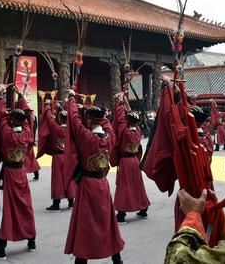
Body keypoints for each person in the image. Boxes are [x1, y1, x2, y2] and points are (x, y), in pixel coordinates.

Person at [64, 91, 124, 263]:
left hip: (87, 185)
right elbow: (107, 123)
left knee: (85, 224)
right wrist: (93, 110)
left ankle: (81, 260)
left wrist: (72, 99)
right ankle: (117, 259)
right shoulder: (110, 137)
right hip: (103, 185)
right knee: (108, 222)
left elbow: (74, 120)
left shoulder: (86, 136)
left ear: (89, 120)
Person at [0, 85, 37, 260]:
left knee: (3, 209)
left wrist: (1, 95)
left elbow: (0, 115)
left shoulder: (7, 133)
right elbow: (27, 116)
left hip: (8, 174)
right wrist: (20, 96)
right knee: (24, 206)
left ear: (12, 121)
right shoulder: (27, 133)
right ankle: (31, 239)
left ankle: (1, 247)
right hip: (21, 172)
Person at [113, 93, 150, 224]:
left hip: (125, 161)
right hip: (135, 161)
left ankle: (121, 214)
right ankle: (143, 209)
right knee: (137, 185)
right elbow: (128, 117)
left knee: (123, 187)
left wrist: (119, 104)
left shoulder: (125, 132)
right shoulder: (138, 131)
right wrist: (126, 103)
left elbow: (121, 120)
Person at [38, 100, 75, 211]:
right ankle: (71, 201)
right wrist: (61, 108)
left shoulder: (56, 128)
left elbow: (49, 119)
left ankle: (56, 203)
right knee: (70, 177)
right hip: (68, 157)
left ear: (59, 119)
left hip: (58, 157)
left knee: (57, 179)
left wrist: (48, 106)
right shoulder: (71, 130)